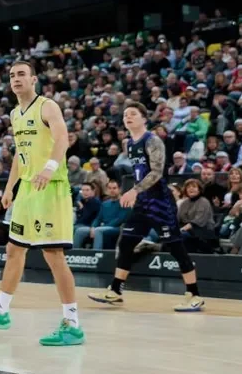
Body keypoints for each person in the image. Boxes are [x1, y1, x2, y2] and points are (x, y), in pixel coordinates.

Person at [0, 60, 85, 347]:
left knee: (53, 255)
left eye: (21, 74)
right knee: (13, 249)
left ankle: (72, 324)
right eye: (11, 75)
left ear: (33, 80)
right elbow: (21, 154)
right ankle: (1, 310)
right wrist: (10, 188)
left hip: (51, 187)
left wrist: (50, 167)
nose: (16, 78)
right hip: (28, 190)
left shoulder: (48, 106)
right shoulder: (15, 113)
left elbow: (62, 138)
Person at [88, 101, 205, 312]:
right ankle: (115, 290)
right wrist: (135, 193)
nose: (128, 117)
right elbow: (140, 174)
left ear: (144, 118)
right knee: (126, 242)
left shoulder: (153, 140)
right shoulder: (130, 144)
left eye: (132, 114)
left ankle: (194, 294)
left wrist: (134, 190)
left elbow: (157, 172)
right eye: (125, 115)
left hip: (160, 201)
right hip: (143, 201)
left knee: (176, 247)